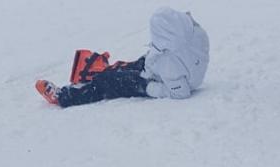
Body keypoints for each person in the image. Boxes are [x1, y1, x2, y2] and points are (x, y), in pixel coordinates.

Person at [36, 7, 209, 108]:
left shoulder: (169, 64)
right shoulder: (196, 33)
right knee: (128, 67)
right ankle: (104, 71)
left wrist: (148, 87)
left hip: (154, 79)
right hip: (162, 63)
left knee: (108, 82)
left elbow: (181, 93)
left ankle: (64, 97)